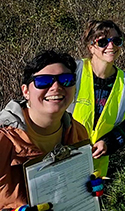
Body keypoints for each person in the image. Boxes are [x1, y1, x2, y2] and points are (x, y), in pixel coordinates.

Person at [0, 50, 89, 209]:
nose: (56, 87)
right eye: (43, 81)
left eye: (66, 80)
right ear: (25, 91)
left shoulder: (78, 133)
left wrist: (87, 191)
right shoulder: (3, 140)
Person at [67, 20, 125, 177]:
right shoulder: (73, 72)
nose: (110, 46)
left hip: (96, 168)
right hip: (62, 161)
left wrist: (109, 143)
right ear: (91, 47)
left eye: (116, 41)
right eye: (102, 42)